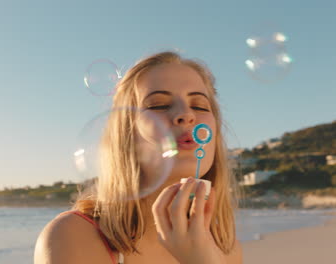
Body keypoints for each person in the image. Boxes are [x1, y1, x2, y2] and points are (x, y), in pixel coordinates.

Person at [34, 51, 243, 264]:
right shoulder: (74, 237)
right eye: (158, 105)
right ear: (126, 135)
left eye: (199, 106)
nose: (187, 115)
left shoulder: (227, 248)